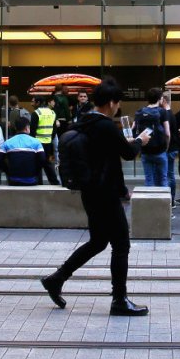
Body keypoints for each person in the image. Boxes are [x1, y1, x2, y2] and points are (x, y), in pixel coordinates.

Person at [41, 76, 152, 316]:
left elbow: (108, 159)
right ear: (111, 102)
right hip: (104, 194)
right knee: (121, 244)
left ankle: (56, 279)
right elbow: (126, 154)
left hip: (91, 192)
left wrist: (122, 188)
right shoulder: (104, 125)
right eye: (118, 101)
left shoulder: (85, 121)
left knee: (99, 241)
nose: (118, 105)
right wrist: (140, 141)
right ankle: (119, 299)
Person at [135, 88, 172, 193]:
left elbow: (134, 130)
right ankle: (164, 207)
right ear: (160, 99)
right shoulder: (162, 112)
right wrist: (166, 147)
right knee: (163, 180)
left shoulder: (139, 112)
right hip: (160, 151)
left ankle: (150, 206)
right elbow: (167, 133)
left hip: (145, 151)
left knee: (148, 180)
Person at [1, 116, 46, 185]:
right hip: (31, 179)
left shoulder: (7, 142)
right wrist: (35, 172)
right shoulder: (36, 142)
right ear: (27, 127)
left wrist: (8, 171)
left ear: (15, 128)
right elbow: (42, 160)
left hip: (13, 180)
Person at [30, 94, 60, 185]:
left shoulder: (36, 113)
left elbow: (32, 130)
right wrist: (49, 138)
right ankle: (54, 182)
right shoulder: (52, 112)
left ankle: (38, 183)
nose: (31, 103)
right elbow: (54, 130)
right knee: (49, 163)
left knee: (37, 164)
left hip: (37, 143)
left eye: (33, 101)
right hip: (48, 143)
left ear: (38, 103)